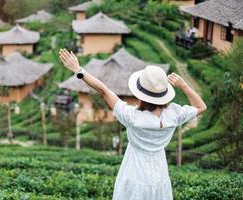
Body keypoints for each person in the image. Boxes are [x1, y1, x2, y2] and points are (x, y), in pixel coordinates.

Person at [59, 49, 207, 200]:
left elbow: (104, 90)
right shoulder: (174, 115)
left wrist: (78, 70)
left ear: (141, 95)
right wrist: (184, 86)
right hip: (159, 176)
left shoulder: (132, 117)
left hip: (134, 174)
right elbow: (201, 107)